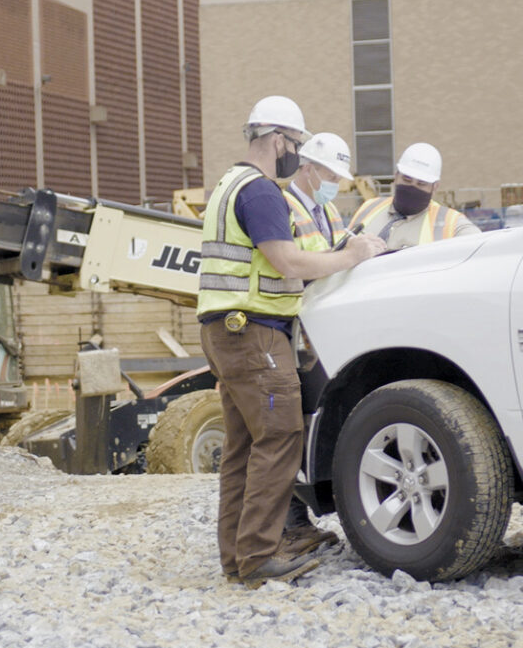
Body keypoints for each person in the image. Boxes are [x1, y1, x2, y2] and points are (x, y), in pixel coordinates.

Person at [198, 97, 386, 589]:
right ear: (279, 139)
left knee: (244, 446)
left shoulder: (227, 184)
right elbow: (288, 262)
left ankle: (237, 557)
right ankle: (259, 556)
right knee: (281, 436)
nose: (295, 154)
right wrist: (351, 257)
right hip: (254, 332)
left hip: (228, 331)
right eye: (295, 145)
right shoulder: (260, 192)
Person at [281, 132, 355, 554]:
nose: (336, 183)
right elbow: (292, 264)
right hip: (289, 330)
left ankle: (297, 520)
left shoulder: (325, 210)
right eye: (330, 173)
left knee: (305, 421)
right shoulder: (286, 206)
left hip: (316, 333)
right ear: (307, 167)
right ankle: (289, 521)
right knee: (288, 427)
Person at [349, 143, 480, 249]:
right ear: (396, 176)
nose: (412, 187)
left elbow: (482, 249)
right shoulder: (369, 207)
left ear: (435, 187)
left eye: (421, 183)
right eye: (407, 180)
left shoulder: (451, 223)